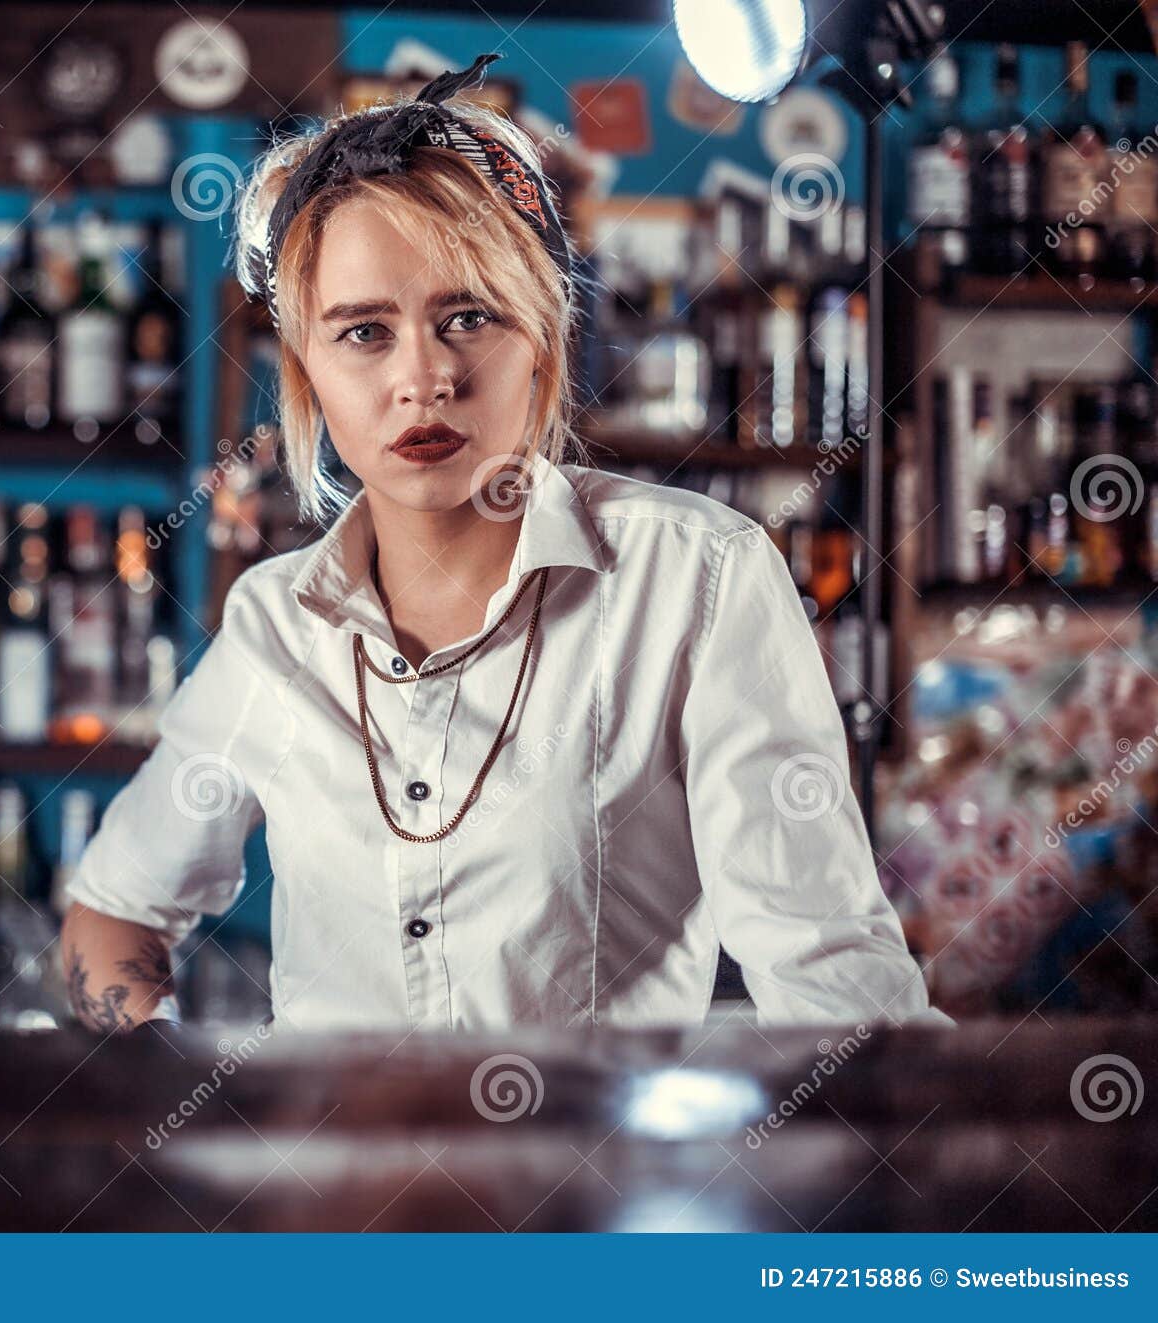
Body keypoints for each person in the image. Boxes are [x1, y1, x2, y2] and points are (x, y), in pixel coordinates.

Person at [57, 51, 955, 1038]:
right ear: (305, 372)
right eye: (363, 331)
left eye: (469, 317)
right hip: (331, 1187)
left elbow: (826, 970)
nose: (424, 377)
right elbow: (114, 914)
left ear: (541, 340)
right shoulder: (275, 622)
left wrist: (904, 1159)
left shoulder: (693, 579)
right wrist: (190, 1136)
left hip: (592, 1184)